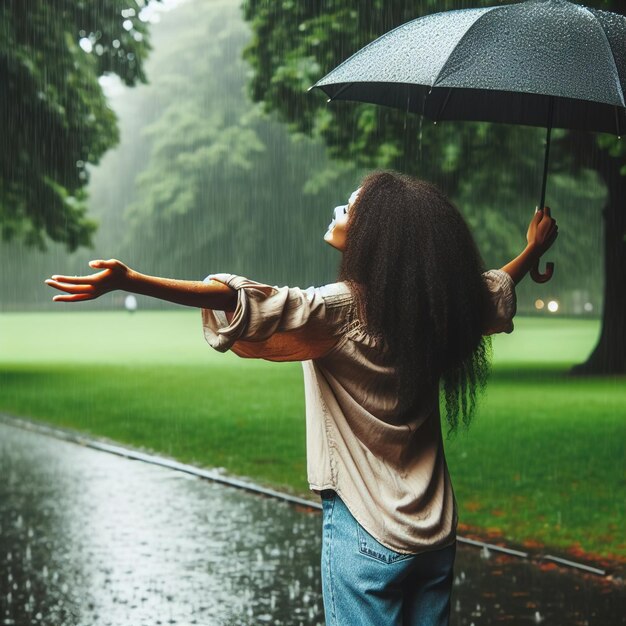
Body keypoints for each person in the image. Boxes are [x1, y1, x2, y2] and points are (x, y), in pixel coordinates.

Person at [45, 170, 558, 626]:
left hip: (367, 532)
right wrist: (532, 250)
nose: (341, 209)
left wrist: (133, 280)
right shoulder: (437, 308)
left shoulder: (340, 310)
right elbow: (492, 287)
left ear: (375, 237)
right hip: (436, 535)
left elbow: (245, 299)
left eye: (352, 206)